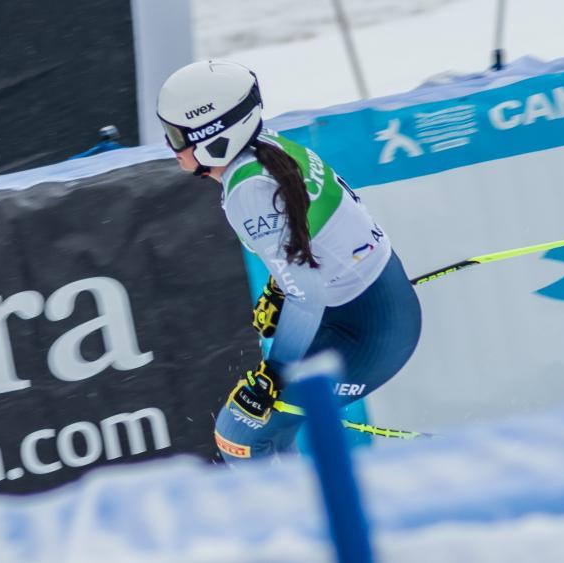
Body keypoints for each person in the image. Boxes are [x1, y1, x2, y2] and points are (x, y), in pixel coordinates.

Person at [157, 60, 422, 462]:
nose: (171, 147)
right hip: (368, 309)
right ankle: (311, 497)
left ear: (215, 137)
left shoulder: (250, 191)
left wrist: (275, 374)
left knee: (240, 439)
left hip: (368, 333)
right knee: (264, 431)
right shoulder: (269, 149)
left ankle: (305, 503)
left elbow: (307, 298)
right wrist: (280, 287)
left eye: (177, 136)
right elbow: (314, 241)